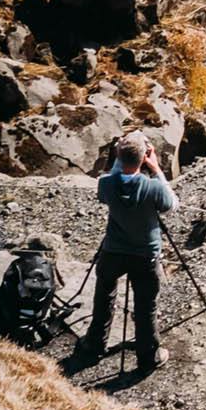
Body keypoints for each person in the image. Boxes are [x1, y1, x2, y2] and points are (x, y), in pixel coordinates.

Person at [72, 135, 177, 370]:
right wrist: (156, 167)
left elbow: (113, 180)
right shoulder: (153, 187)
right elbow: (171, 205)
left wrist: (121, 154)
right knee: (146, 305)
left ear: (118, 157)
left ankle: (94, 346)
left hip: (113, 252)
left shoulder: (106, 184)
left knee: (104, 298)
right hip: (145, 255)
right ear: (143, 159)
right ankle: (149, 356)